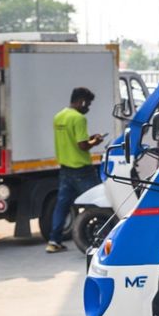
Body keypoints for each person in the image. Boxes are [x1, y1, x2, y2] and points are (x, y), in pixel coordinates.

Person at [45, 86, 104, 254]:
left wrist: (89, 139)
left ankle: (53, 241)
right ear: (81, 101)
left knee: (61, 206)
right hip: (81, 170)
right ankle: (101, 238)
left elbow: (71, 140)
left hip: (65, 169)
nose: (88, 108)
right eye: (88, 104)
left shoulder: (59, 116)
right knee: (98, 202)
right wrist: (96, 141)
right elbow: (82, 145)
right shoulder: (78, 118)